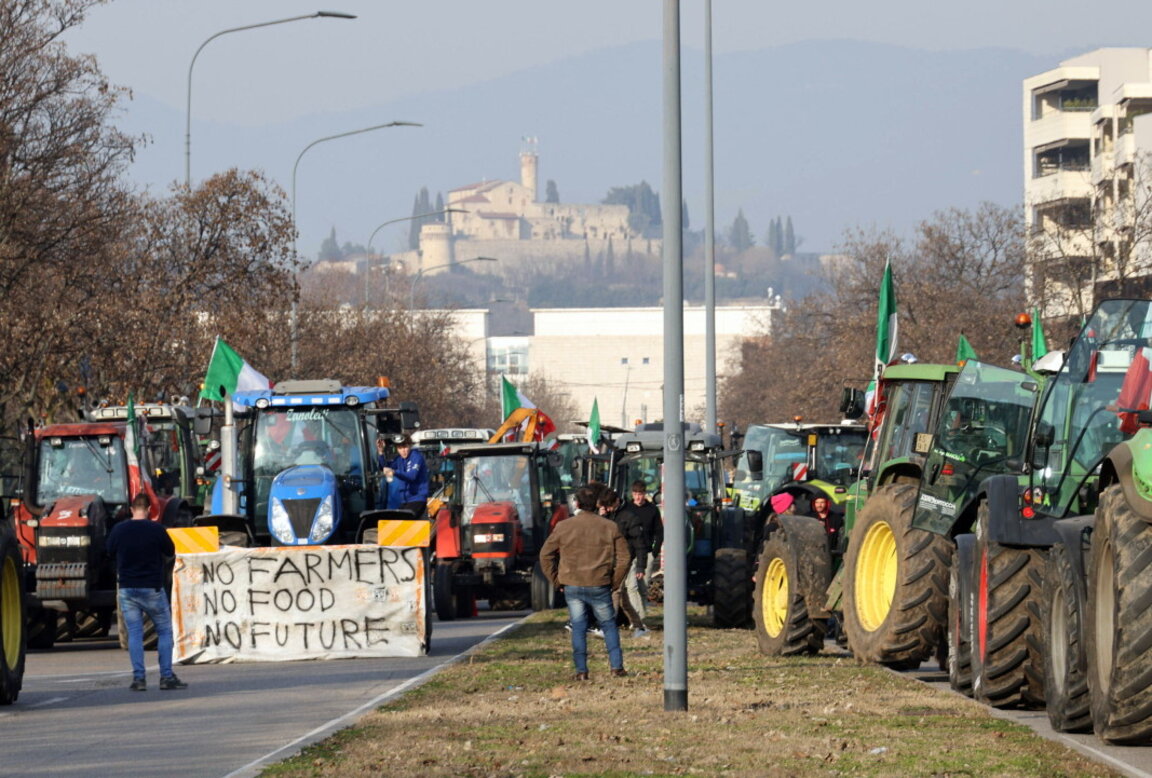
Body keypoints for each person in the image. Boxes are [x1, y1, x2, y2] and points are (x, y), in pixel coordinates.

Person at [540, 485, 631, 680]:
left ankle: (581, 671)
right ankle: (617, 668)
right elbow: (625, 557)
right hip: (600, 583)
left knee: (579, 627)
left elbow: (545, 556)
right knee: (608, 625)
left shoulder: (563, 526)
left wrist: (557, 581)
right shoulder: (609, 526)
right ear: (597, 504)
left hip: (572, 584)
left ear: (577, 504)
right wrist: (614, 582)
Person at [105, 492, 186, 692]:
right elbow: (170, 551)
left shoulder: (119, 530)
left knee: (134, 633)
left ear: (132, 510)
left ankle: (139, 678)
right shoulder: (156, 529)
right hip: (152, 589)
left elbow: (108, 551)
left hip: (127, 589)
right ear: (149, 510)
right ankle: (166, 676)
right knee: (165, 631)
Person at [599, 488, 648, 636]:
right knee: (623, 599)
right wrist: (602, 517)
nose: (607, 508)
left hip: (624, 559)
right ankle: (639, 627)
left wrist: (640, 566)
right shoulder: (606, 515)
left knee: (615, 591)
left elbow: (640, 544)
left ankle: (608, 627)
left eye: (609, 506)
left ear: (616, 501)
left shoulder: (630, 517)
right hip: (609, 559)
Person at [617, 480, 664, 588]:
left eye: (640, 494)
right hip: (629, 552)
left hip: (647, 552)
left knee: (643, 587)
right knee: (629, 586)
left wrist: (654, 553)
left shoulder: (652, 509)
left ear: (644, 494)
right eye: (635, 494)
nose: (637, 497)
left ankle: (640, 605)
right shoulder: (626, 509)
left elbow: (660, 532)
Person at [378, 434, 429, 516]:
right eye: (400, 448)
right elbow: (385, 466)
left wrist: (394, 472)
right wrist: (381, 452)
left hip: (417, 499)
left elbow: (412, 476)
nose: (403, 451)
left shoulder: (416, 457)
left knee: (402, 521)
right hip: (405, 501)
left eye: (405, 447)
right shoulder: (399, 459)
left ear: (410, 445)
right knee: (393, 520)